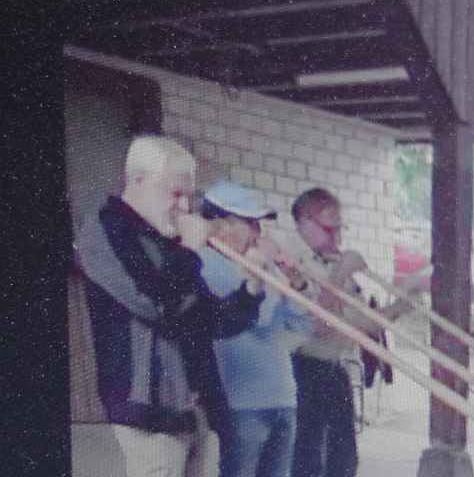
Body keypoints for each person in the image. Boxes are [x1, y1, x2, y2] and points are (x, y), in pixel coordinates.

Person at [74, 135, 265, 477]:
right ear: (138, 181)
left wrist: (252, 285)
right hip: (150, 413)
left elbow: (213, 322)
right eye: (175, 193)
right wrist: (189, 252)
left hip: (193, 409)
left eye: (188, 196)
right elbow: (155, 303)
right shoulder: (105, 228)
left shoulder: (166, 241)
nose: (184, 207)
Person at [289, 187, 428, 477]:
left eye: (340, 229)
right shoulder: (291, 261)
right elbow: (318, 326)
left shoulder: (332, 262)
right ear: (304, 222)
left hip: (333, 369)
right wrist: (339, 274)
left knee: (344, 461)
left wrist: (402, 305)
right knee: (307, 462)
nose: (338, 238)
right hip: (301, 370)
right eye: (330, 229)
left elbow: (362, 325)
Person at [197, 180, 314, 477]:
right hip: (241, 402)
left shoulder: (264, 266)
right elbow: (257, 318)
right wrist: (258, 276)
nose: (257, 233)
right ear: (219, 224)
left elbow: (303, 323)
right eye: (249, 223)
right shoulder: (203, 264)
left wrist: (294, 278)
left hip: (282, 396)